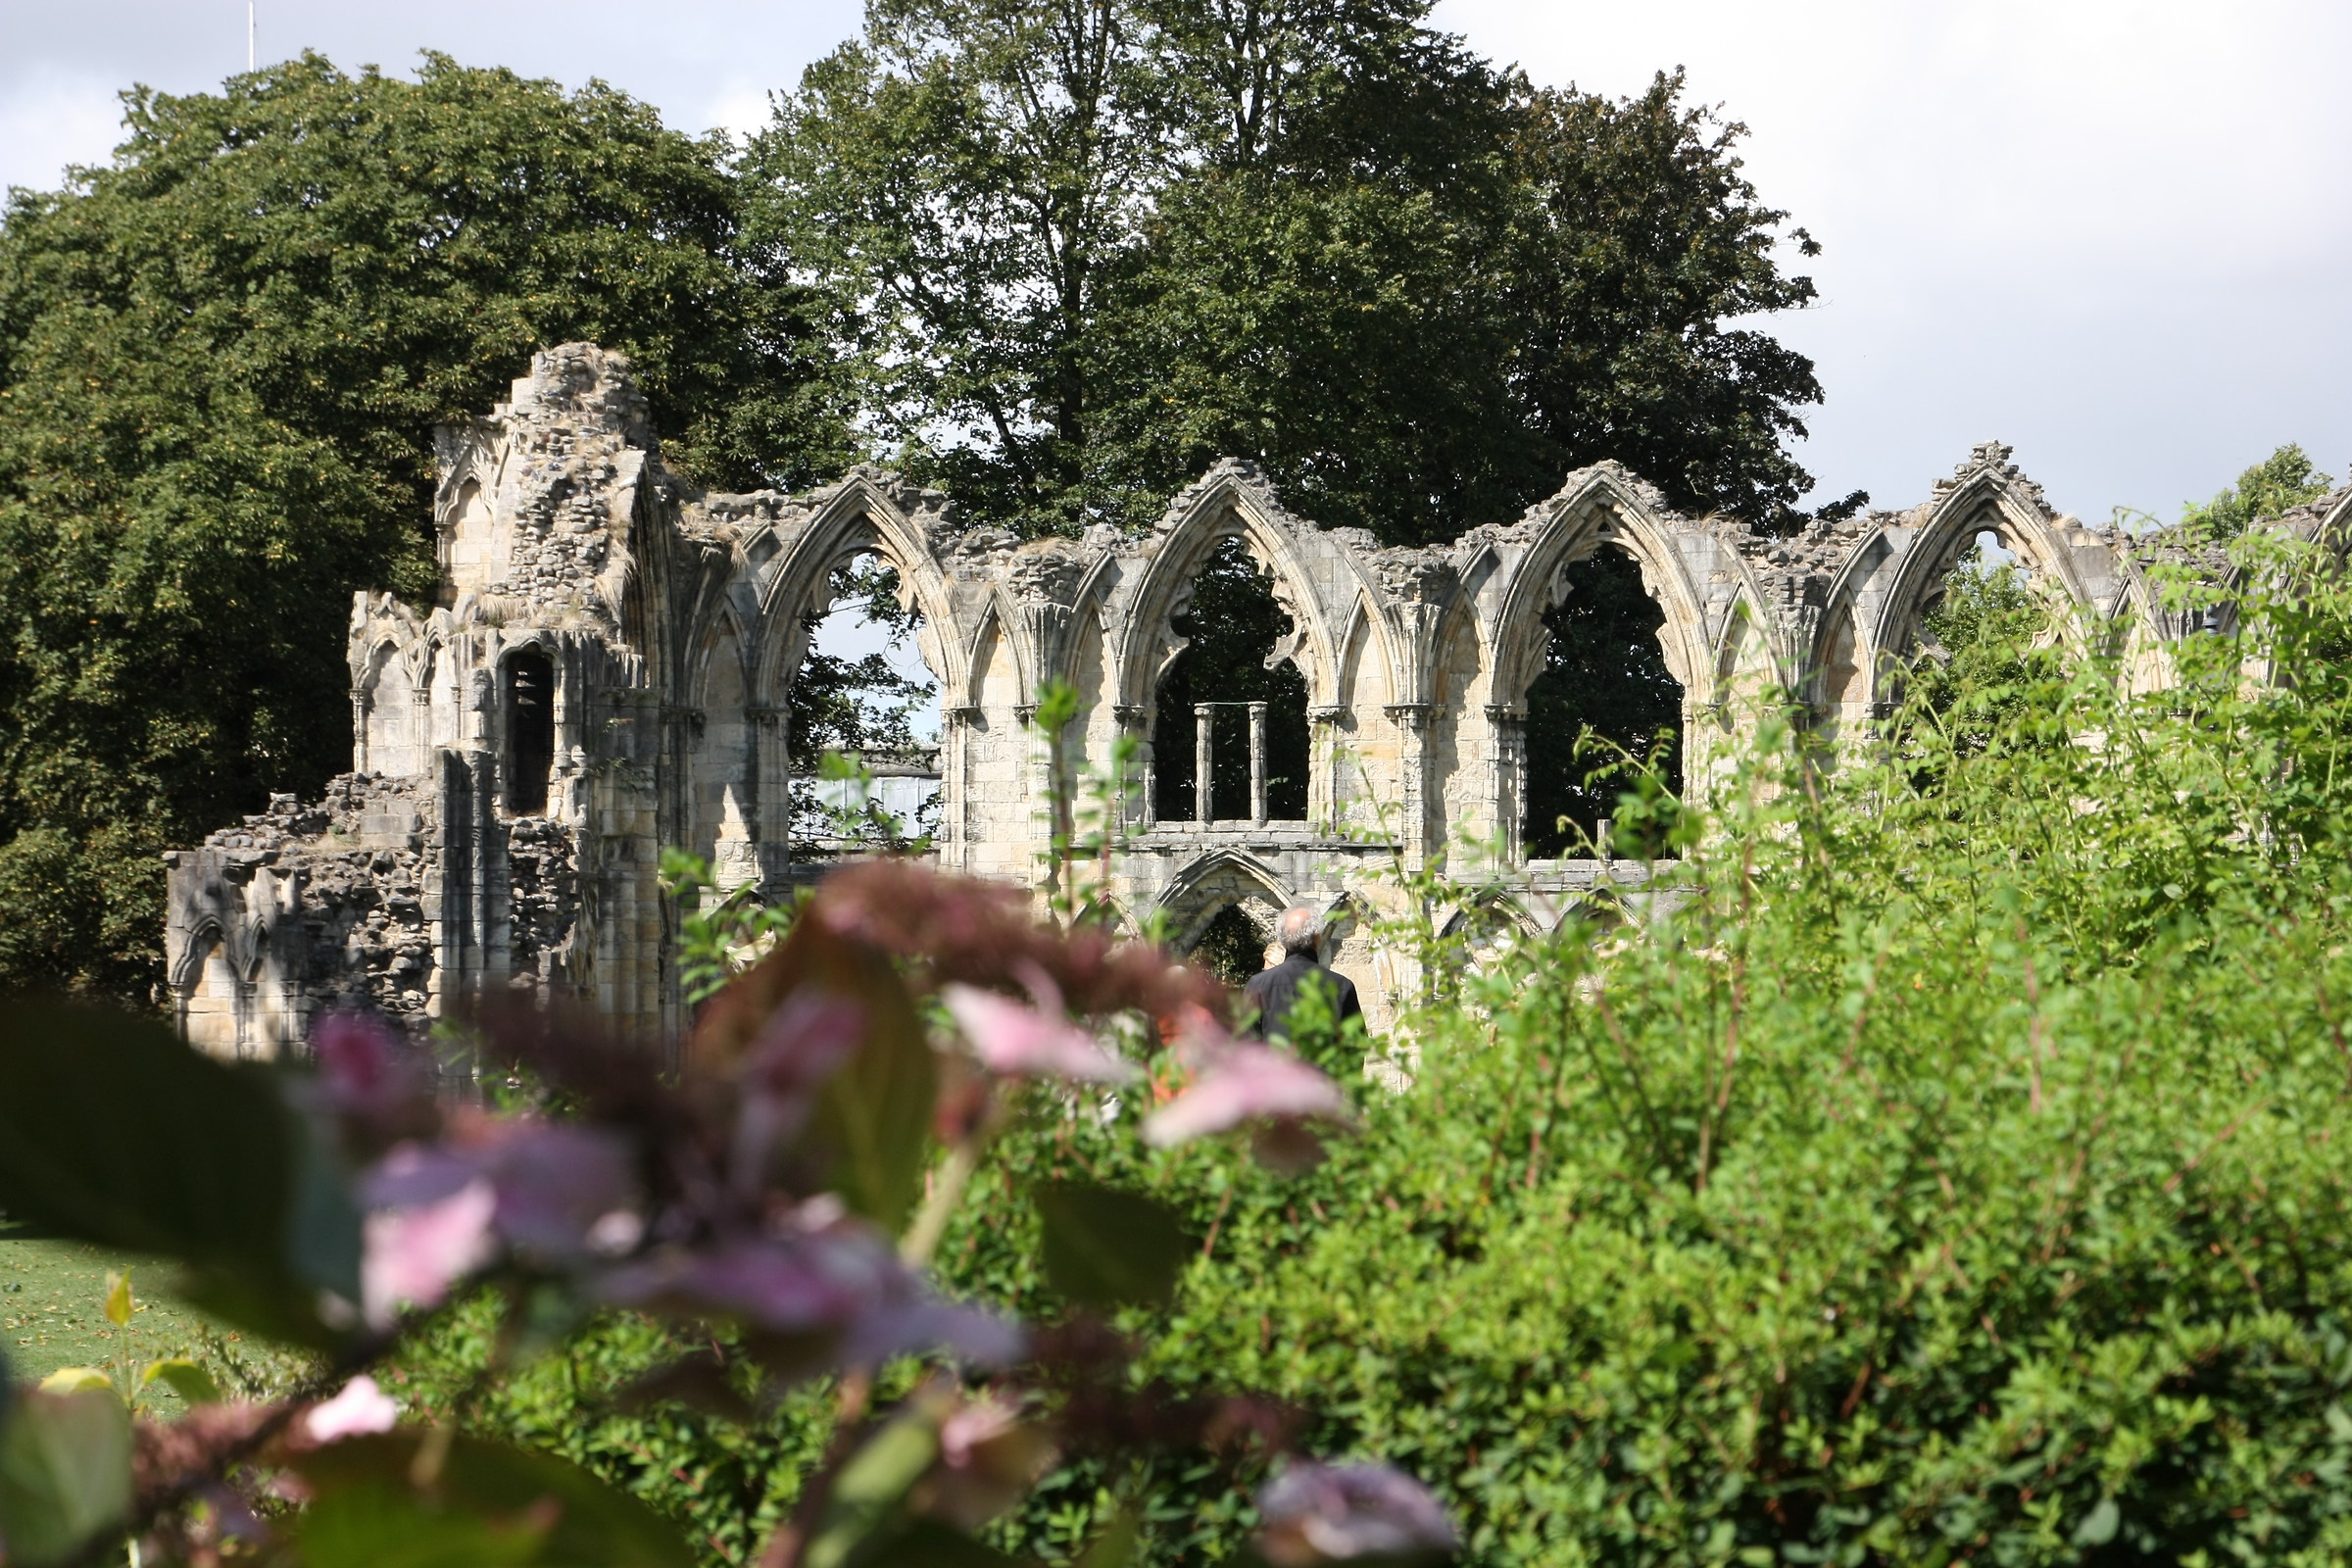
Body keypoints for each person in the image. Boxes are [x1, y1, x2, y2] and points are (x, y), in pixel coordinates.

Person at [1241, 906, 1363, 1045]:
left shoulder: (1258, 985)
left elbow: (1247, 1042)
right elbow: (1355, 1043)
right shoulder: (1341, 986)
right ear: (1317, 939)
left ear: (1282, 939)